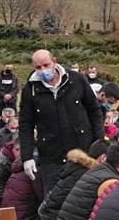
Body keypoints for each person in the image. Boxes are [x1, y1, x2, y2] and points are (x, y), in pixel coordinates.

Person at [19, 49, 104, 195]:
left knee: (86, 199)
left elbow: (94, 111)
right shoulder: (30, 90)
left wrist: (100, 143)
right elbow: (26, 125)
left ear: (55, 61)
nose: (43, 70)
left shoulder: (76, 79)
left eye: (46, 65)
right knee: (53, 202)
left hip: (83, 152)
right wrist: (27, 157)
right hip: (51, 156)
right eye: (38, 67)